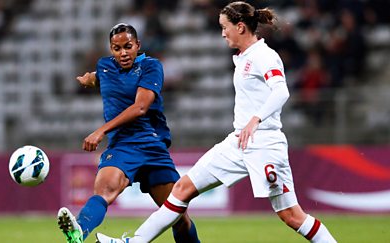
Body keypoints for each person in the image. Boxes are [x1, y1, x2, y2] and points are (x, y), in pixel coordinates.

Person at [95, 2, 337, 243]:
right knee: (182, 189)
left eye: (225, 27)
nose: (222, 33)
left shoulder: (264, 56)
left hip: (264, 144)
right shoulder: (244, 57)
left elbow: (281, 92)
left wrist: (256, 119)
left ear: (240, 27)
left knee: (291, 216)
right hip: (237, 142)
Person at [57, 23, 200, 243]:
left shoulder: (151, 67)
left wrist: (100, 131)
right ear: (111, 49)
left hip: (151, 146)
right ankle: (79, 231)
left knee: (178, 218)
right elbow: (100, 76)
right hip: (122, 146)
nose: (123, 53)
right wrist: (89, 79)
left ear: (137, 45)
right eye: (117, 48)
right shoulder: (105, 67)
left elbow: (140, 107)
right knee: (104, 191)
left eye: (128, 46)